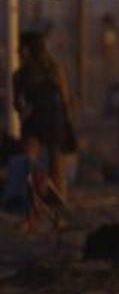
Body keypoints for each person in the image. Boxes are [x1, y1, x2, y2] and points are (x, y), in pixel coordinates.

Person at [12, 31, 76, 199]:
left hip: (37, 118)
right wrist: (69, 122)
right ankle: (58, 198)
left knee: (29, 160)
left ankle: (32, 200)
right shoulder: (55, 70)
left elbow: (17, 104)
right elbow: (65, 99)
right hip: (54, 117)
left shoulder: (21, 74)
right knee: (56, 164)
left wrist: (24, 112)